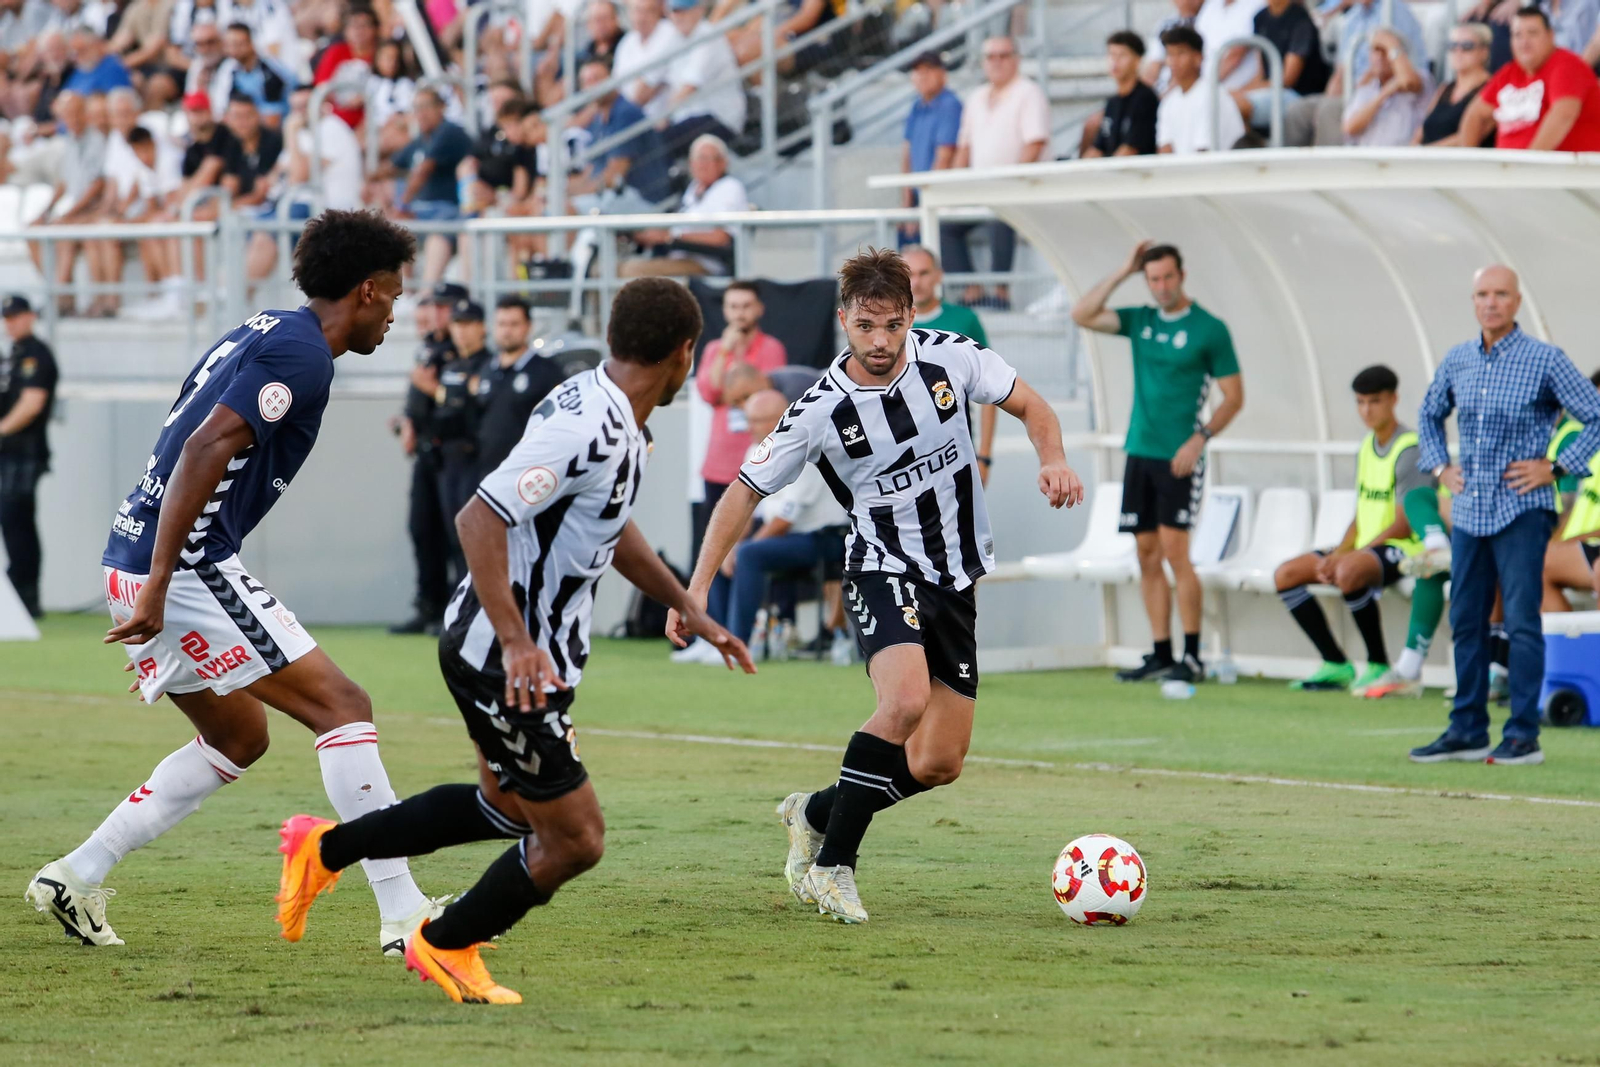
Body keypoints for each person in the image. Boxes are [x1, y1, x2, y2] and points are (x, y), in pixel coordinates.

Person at [274, 278, 753, 1005]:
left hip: (522, 654)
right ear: (686, 353)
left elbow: (610, 524)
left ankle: (324, 848)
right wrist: (518, 641)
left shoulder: (617, 418)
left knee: (505, 807)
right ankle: (444, 941)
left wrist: (687, 600)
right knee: (575, 838)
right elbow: (478, 517)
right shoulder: (587, 424)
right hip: (504, 659)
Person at [25, 210, 441, 955]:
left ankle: (77, 874)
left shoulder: (263, 325)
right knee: (343, 706)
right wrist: (163, 588)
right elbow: (205, 443)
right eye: (397, 295)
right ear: (369, 291)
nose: (396, 311)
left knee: (239, 735)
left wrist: (152, 590)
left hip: (134, 553)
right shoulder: (307, 356)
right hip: (181, 563)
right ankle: (405, 913)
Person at [676, 248, 1084, 923]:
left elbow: (1032, 405)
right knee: (903, 701)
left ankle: (813, 813)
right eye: (866, 326)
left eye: (892, 325)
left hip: (956, 574)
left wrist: (1054, 459)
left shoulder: (952, 356)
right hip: (879, 563)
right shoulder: (818, 409)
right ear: (844, 321)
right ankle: (833, 868)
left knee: (937, 761)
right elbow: (741, 492)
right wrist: (695, 589)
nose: (880, 341)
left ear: (911, 316)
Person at [1410, 264, 1600, 767]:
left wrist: (1557, 467)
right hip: (1470, 510)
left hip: (1523, 508)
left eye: (1500, 294)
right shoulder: (1457, 359)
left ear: (1517, 302)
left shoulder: (1545, 360)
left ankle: (1522, 736)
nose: (1490, 303)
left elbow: (1596, 415)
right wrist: (1439, 466)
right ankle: (1467, 730)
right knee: (1467, 618)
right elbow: (1428, 414)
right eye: (1481, 295)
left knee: (1521, 621)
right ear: (1472, 302)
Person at [1072, 241, 1245, 683]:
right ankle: (1161, 653)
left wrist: (1199, 440)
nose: (1161, 286)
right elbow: (1083, 314)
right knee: (1145, 554)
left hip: (1179, 458)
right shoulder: (1141, 320)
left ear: (1182, 275)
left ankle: (1192, 656)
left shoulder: (1210, 329)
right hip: (1140, 453)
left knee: (1176, 553)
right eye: (1152, 278)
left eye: (1167, 277)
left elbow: (1234, 397)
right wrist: (1123, 271)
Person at [1273, 365, 1431, 693]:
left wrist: (1353, 556)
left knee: (1348, 572)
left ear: (1393, 400)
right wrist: (1342, 550)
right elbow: (1362, 513)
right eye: (1360, 402)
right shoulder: (1366, 447)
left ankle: (1377, 664)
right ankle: (1335, 663)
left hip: (1408, 548)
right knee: (1286, 574)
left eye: (1374, 401)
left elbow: (1404, 521)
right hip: (1368, 547)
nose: (1366, 410)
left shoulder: (1410, 449)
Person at [675, 387, 848, 664]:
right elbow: (748, 507)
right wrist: (729, 546)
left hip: (824, 539)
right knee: (718, 551)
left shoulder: (806, 446)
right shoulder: (757, 450)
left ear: (778, 419)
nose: (748, 427)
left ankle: (736, 641)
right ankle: (713, 638)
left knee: (749, 554)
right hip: (786, 538)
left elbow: (785, 519)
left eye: (755, 420)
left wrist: (745, 547)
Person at [945, 36, 1049, 310]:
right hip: (981, 192)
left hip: (1019, 190)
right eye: (991, 56)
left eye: (1004, 55)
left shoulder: (1029, 92)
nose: (997, 61)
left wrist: (1008, 183)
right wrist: (950, 189)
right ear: (983, 62)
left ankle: (1001, 293)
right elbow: (964, 148)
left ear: (1016, 59)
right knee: (945, 224)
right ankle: (973, 291)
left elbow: (1035, 143)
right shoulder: (976, 97)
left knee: (999, 217)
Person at [693, 280, 788, 560]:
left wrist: (730, 389)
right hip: (718, 464)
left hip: (756, 460)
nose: (740, 314)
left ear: (759, 309)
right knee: (712, 546)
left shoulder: (771, 347)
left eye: (746, 306)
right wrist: (725, 352)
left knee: (752, 546)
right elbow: (709, 393)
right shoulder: (713, 349)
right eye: (733, 307)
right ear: (724, 311)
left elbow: (762, 395)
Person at [392, 282, 464, 636]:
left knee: (455, 535)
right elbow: (419, 398)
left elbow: (460, 403)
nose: (434, 314)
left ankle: (454, 607)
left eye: (444, 307)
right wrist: (407, 420)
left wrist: (428, 392)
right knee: (422, 530)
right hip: (425, 452)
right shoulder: (429, 348)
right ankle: (428, 605)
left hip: (452, 454)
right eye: (433, 306)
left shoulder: (462, 353)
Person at [903, 245, 997, 485]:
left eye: (923, 273)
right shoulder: (889, 325)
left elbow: (991, 390)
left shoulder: (965, 320)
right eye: (909, 274)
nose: (916, 282)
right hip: (904, 456)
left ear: (938, 275)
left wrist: (984, 457)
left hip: (957, 451)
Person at [1459, 5, 1600, 151]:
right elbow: (1474, 115)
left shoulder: (1568, 65)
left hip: (1564, 170)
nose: (1524, 42)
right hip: (1508, 169)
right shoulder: (1509, 72)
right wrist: (1467, 162)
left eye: (1532, 33)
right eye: (1517, 35)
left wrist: (1527, 166)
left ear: (1550, 35)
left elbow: (1563, 114)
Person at [0, 296, 57, 620]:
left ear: (30, 317)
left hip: (25, 453)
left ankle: (25, 593)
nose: (11, 322)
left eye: (16, 316)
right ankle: (19, 591)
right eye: (6, 317)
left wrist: (2, 430)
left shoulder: (36, 354)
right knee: (13, 522)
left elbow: (32, 403)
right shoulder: (13, 355)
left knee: (17, 521)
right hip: (10, 452)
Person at [623, 133, 747, 277]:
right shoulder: (693, 188)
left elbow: (721, 238)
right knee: (607, 268)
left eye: (708, 159)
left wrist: (671, 237)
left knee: (632, 270)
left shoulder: (730, 187)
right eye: (698, 159)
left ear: (723, 163)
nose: (702, 164)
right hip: (676, 258)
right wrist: (648, 236)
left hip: (706, 264)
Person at [472, 296, 566, 474]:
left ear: (528, 326)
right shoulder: (485, 369)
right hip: (487, 474)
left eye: (514, 324)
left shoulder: (547, 372)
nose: (507, 331)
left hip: (528, 474)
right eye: (502, 324)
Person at [435, 298, 493, 578]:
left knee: (476, 536)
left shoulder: (490, 365)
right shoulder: (450, 367)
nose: (462, 331)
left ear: (482, 327)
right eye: (457, 323)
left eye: (469, 324)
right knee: (451, 536)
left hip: (477, 460)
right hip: (449, 458)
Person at [1542, 372, 1600, 611]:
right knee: (1528, 564)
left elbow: (1565, 507)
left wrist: (1573, 539)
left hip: (1589, 542)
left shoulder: (1571, 439)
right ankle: (1568, 647)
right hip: (1588, 543)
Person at [659, 0, 746, 160]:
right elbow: (654, 78)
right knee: (655, 139)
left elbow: (689, 86)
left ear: (699, 10)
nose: (678, 16)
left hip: (720, 121)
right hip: (692, 120)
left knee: (661, 140)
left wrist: (662, 118)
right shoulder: (675, 38)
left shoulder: (708, 35)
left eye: (683, 10)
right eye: (674, 11)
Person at [1233, 0, 1328, 130]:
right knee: (1226, 101)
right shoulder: (1259, 18)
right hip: (1270, 90)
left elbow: (1287, 80)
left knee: (1236, 105)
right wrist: (1238, 92)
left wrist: (1242, 95)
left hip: (1298, 95)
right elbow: (1261, 74)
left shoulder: (1300, 19)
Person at [899, 50, 961, 243]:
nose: (922, 75)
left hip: (938, 196)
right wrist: (907, 205)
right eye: (917, 71)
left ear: (943, 74)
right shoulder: (917, 106)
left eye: (929, 69)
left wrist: (923, 207)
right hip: (921, 195)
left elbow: (944, 156)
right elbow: (907, 155)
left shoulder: (949, 105)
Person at [1156, 26, 1246, 154]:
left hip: (1220, 171)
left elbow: (1203, 152)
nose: (1174, 61)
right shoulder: (1168, 102)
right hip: (1187, 171)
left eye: (1181, 53)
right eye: (1170, 54)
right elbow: (1165, 150)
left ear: (1199, 58)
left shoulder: (1211, 95)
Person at [1342, 28, 1434, 146]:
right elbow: (1350, 127)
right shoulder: (1368, 87)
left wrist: (1392, 44)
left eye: (1385, 51)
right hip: (1370, 159)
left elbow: (1408, 82)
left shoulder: (1421, 78)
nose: (1379, 56)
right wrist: (1385, 92)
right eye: (1375, 50)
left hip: (1404, 160)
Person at [1416, 22, 1494, 146]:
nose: (1458, 51)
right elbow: (1420, 132)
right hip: (1427, 161)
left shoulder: (1492, 88)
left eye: (1467, 46)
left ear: (1484, 52)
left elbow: (1472, 136)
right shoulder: (1445, 88)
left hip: (1463, 163)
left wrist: (1427, 153)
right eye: (1453, 46)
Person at [1083, 31, 1159, 157]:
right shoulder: (1112, 102)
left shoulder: (1145, 98)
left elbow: (1131, 149)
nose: (1115, 61)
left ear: (1137, 60)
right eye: (1112, 54)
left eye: (1122, 55)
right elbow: (1098, 147)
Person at [210, 21, 292, 127]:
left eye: (238, 44)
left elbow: (273, 120)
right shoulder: (229, 70)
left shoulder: (270, 70)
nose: (233, 50)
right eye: (229, 44)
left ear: (251, 43)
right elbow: (222, 110)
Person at [613, 0, 683, 120]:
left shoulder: (669, 32)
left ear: (659, 11)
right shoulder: (627, 41)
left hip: (657, 120)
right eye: (637, 11)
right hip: (628, 117)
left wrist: (621, 117)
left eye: (648, 11)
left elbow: (645, 91)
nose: (641, 17)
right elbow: (615, 87)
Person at [1193, 0, 1265, 92]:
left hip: (1236, 91)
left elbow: (1236, 55)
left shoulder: (1257, 4)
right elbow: (1193, 47)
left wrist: (1203, 88)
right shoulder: (1211, 4)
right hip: (1205, 86)